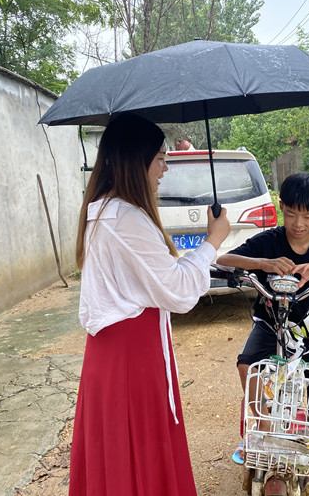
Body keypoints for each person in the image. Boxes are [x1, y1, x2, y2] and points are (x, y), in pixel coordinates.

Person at [69, 113, 230, 496]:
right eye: (159, 157)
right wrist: (213, 241)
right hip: (131, 363)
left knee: (122, 457)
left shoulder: (104, 210)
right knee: (136, 455)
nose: (165, 167)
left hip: (117, 357)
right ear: (134, 160)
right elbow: (177, 291)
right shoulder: (124, 218)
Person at [216, 172, 309, 496]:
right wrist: (262, 263)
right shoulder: (269, 241)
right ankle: (263, 433)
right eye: (292, 213)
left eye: (307, 215)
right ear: (281, 207)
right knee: (247, 364)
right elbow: (223, 260)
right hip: (270, 327)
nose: (299, 222)